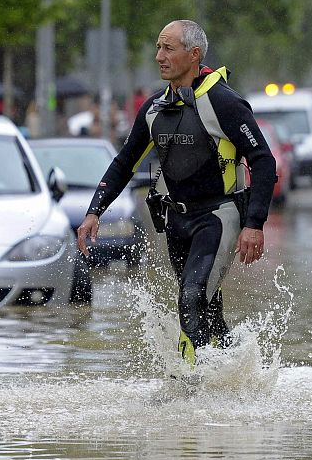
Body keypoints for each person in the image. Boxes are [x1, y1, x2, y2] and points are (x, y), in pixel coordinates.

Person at [76, 20, 276, 366]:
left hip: (218, 218)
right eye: (158, 47)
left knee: (191, 299)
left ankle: (188, 387)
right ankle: (238, 378)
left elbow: (264, 160)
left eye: (168, 48)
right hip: (176, 221)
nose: (159, 56)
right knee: (207, 310)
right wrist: (95, 211)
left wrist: (254, 224)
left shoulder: (224, 102)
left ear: (194, 54)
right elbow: (124, 163)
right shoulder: (154, 108)